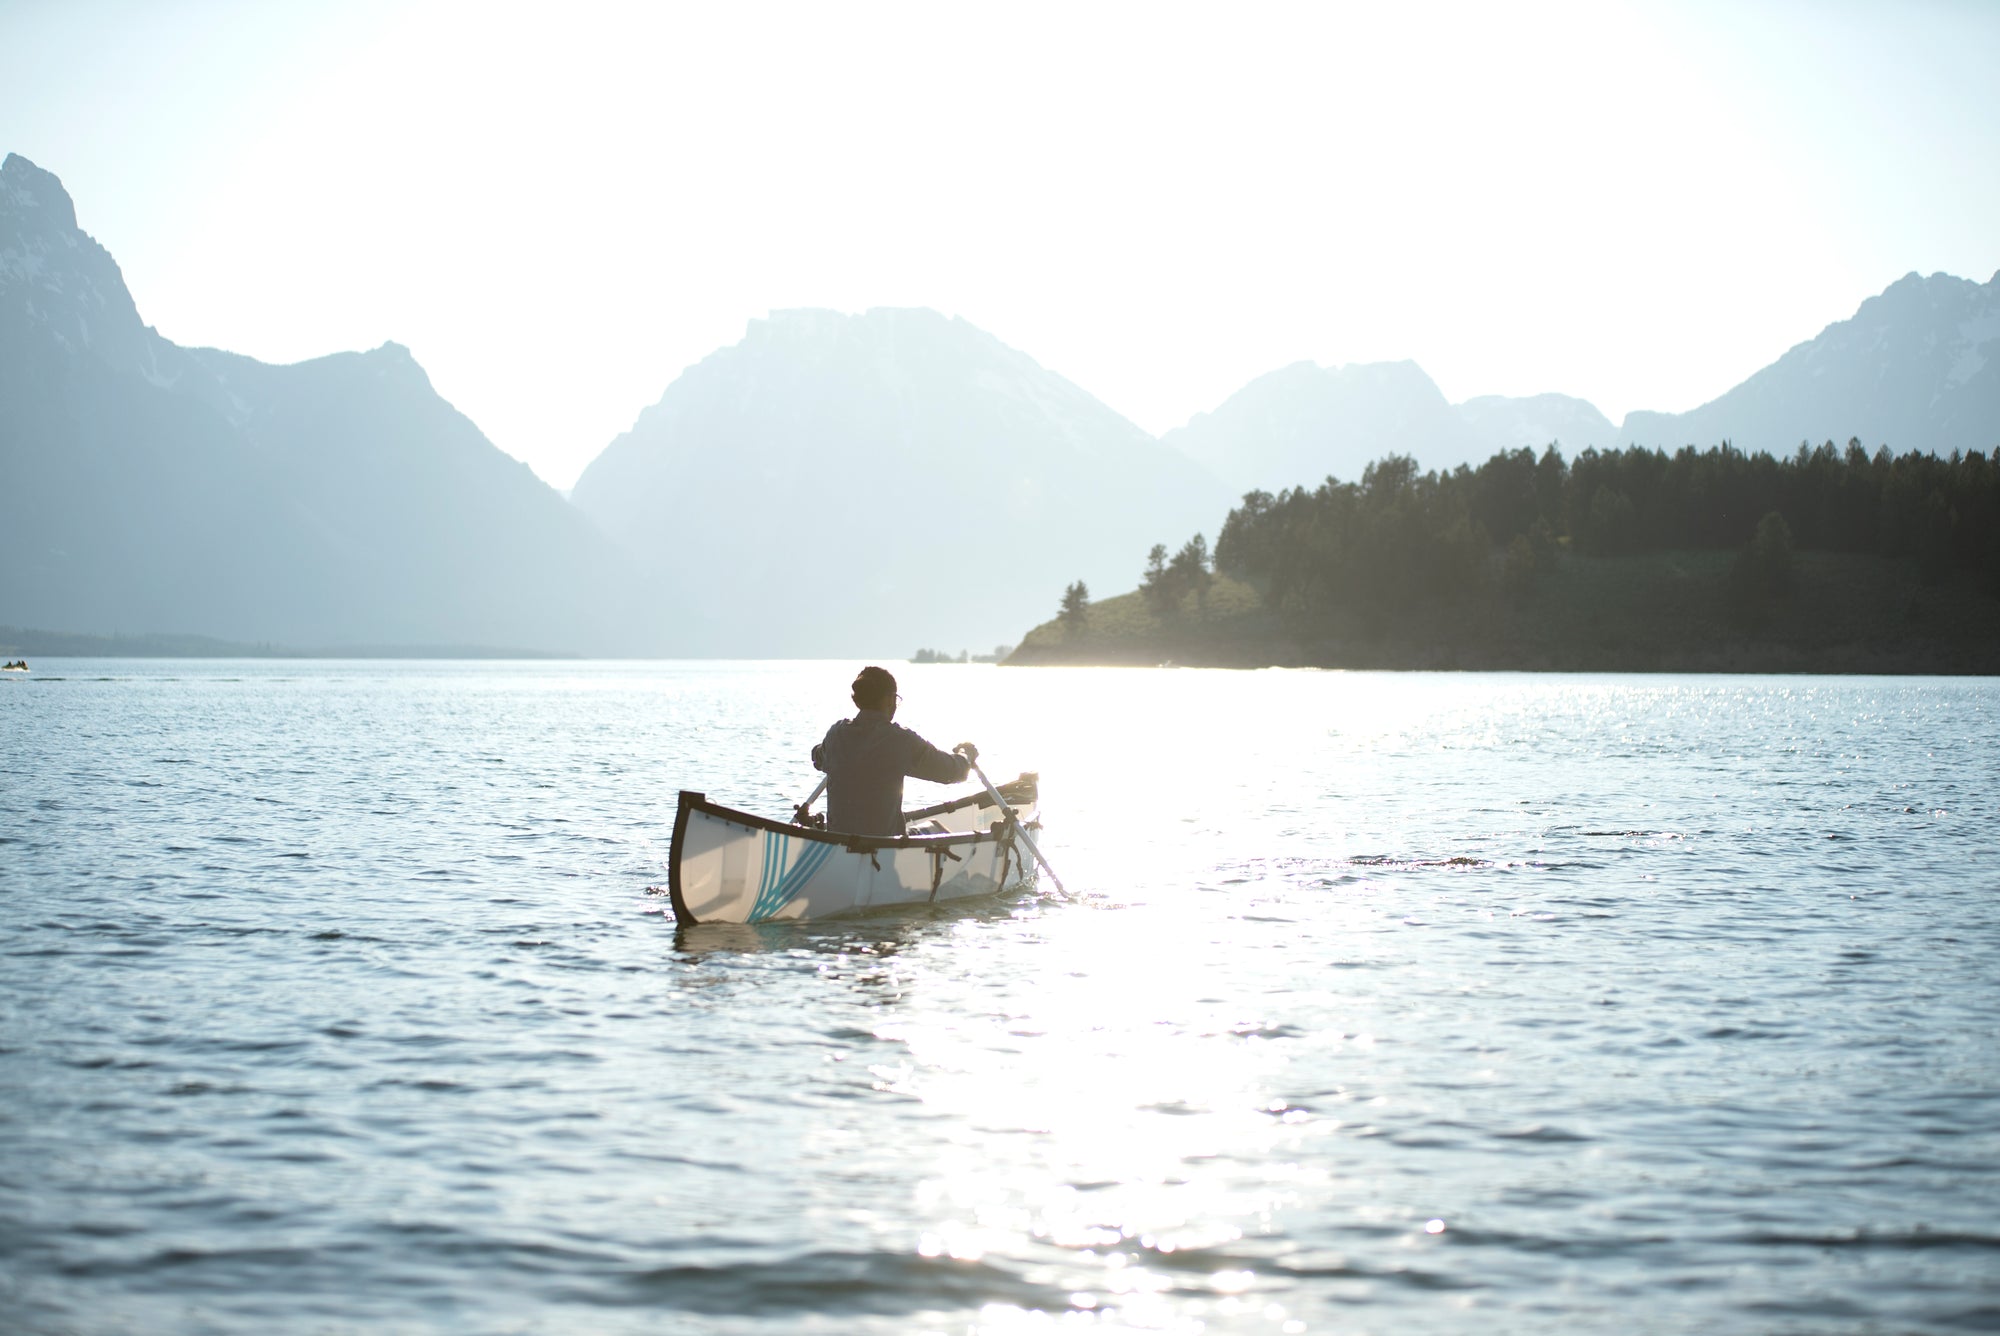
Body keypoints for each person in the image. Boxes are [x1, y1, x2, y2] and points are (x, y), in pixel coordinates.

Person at [811, 666, 977, 838]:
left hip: (838, 846)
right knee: (935, 826)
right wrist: (966, 754)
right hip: (882, 849)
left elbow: (817, 757)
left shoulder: (835, 735)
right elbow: (952, 772)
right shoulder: (901, 740)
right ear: (890, 699)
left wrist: (830, 749)